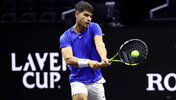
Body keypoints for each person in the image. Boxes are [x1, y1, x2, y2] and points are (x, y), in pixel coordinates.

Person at [60, 1, 111, 100]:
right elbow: (69, 59)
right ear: (76, 14)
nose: (89, 19)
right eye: (86, 15)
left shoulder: (94, 27)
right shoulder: (66, 36)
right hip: (78, 80)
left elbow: (99, 43)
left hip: (96, 80)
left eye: (90, 16)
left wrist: (104, 58)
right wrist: (88, 62)